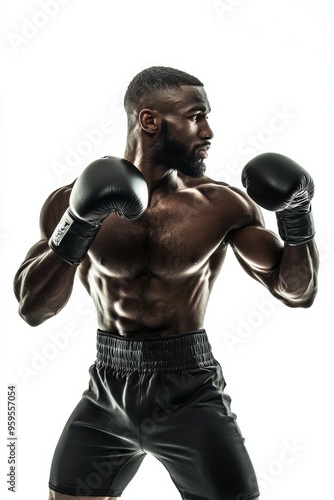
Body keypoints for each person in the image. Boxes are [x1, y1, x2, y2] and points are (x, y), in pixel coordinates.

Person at [14, 66, 319, 500]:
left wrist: (297, 214)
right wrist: (79, 223)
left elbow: (297, 292)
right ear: (150, 121)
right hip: (106, 394)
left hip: (190, 391)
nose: (209, 131)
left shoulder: (220, 204)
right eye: (196, 116)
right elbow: (33, 308)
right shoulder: (72, 202)